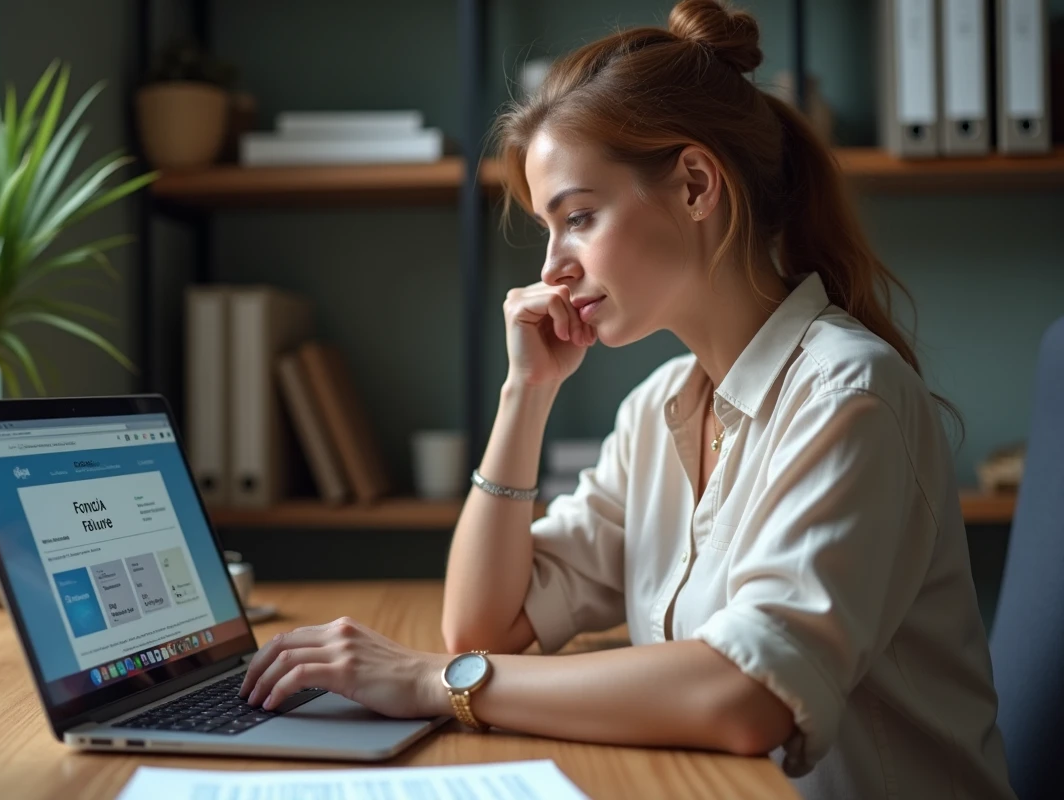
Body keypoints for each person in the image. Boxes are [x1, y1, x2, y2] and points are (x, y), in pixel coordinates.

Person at [238, 1, 1014, 796]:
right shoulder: (659, 409)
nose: (552, 269)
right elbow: (484, 628)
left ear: (695, 185)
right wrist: (524, 393)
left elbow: (750, 697)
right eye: (548, 228)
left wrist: (434, 683)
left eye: (578, 217)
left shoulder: (850, 396)